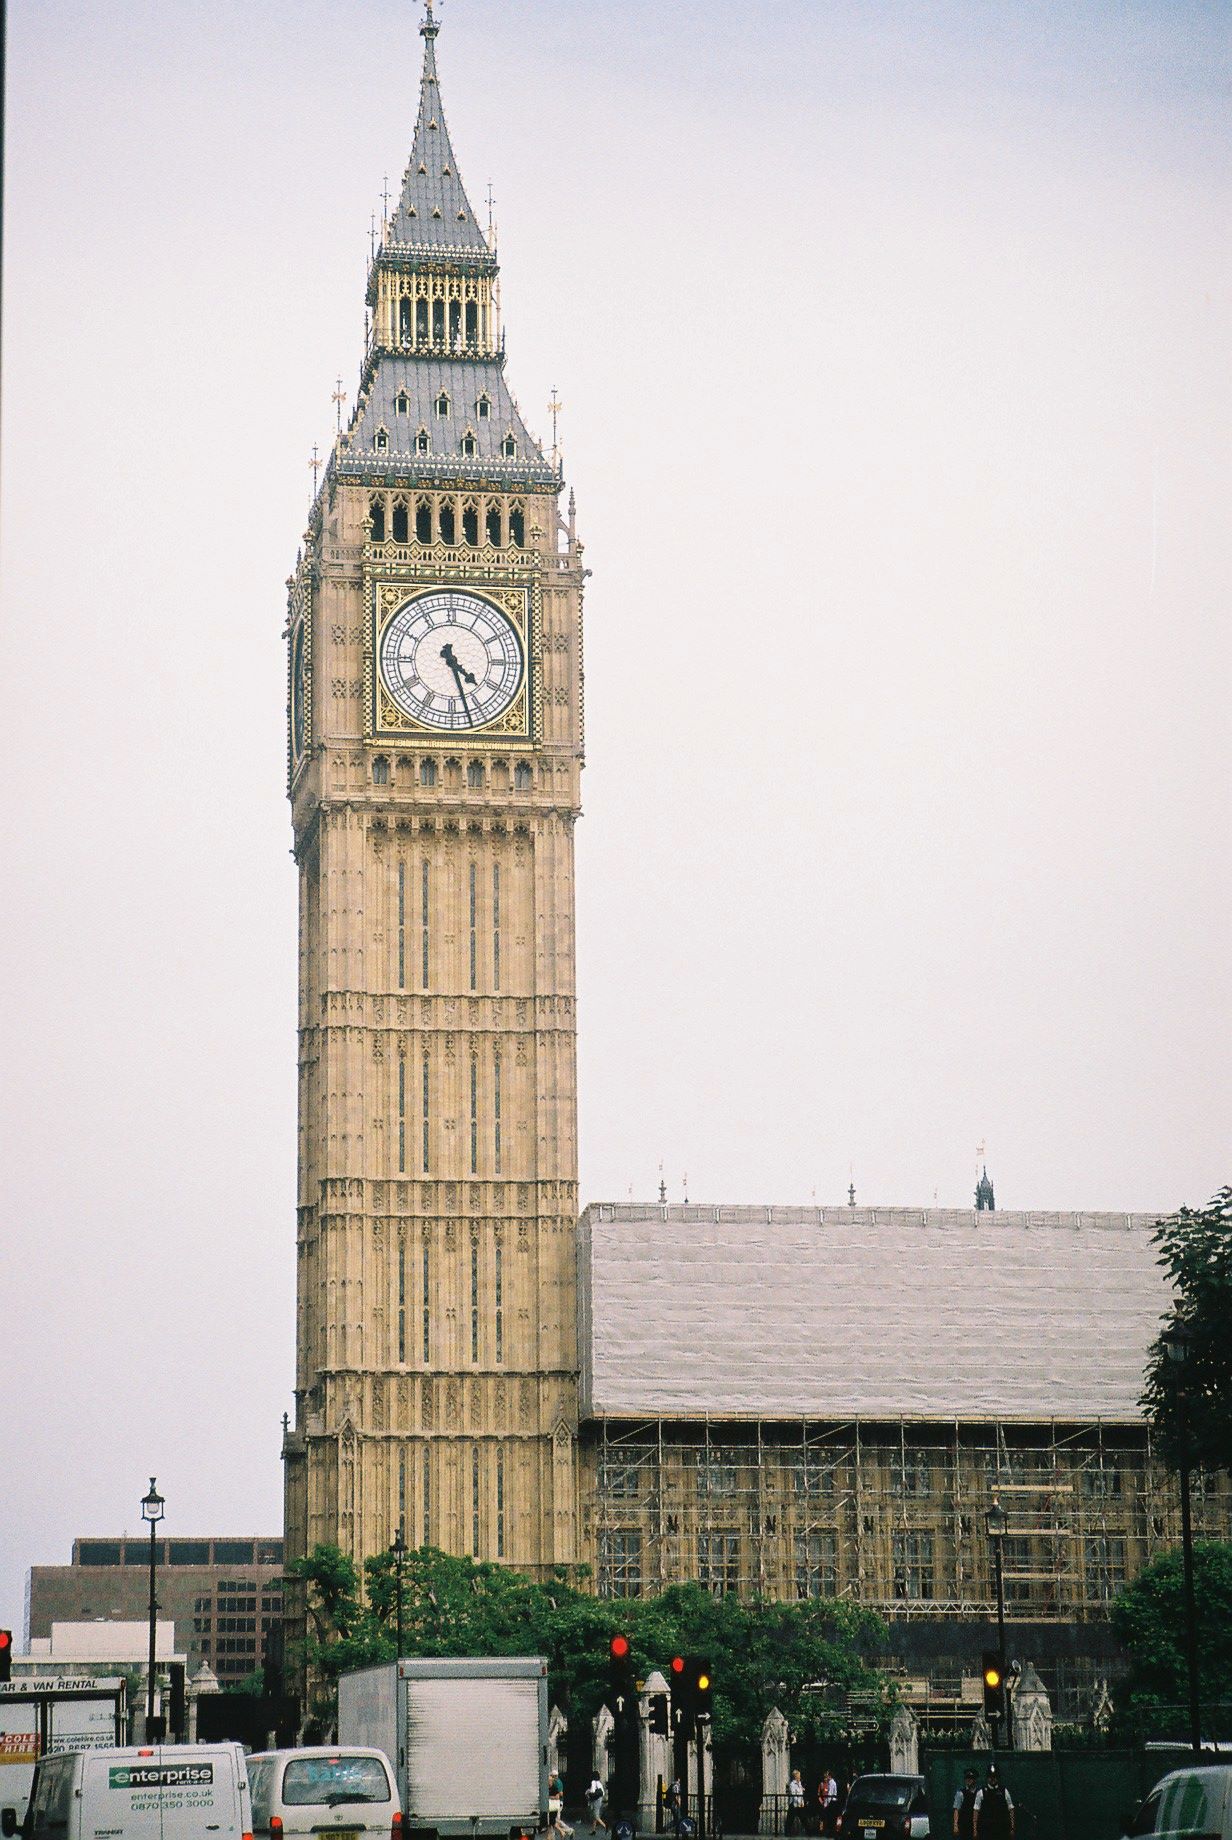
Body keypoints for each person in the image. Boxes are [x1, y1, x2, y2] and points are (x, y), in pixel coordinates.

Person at [973, 1766, 1014, 1839]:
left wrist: (1012, 1827)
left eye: (994, 1776)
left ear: (997, 1777)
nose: (992, 1778)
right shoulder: (981, 1792)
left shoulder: (1004, 1791)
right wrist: (975, 1830)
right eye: (990, 1776)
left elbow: (1011, 1810)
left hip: (1001, 1829)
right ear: (987, 1778)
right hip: (986, 1830)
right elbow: (976, 1812)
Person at [952, 1768, 979, 1840]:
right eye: (967, 1778)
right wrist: (955, 1825)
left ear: (975, 1779)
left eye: (971, 1778)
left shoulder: (979, 1793)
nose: (968, 1780)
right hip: (965, 1825)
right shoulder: (960, 1793)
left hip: (978, 1825)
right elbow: (956, 1810)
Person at [549, 1771, 573, 1840]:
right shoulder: (556, 1782)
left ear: (553, 1776)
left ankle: (568, 1831)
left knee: (555, 1820)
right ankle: (553, 1835)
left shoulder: (557, 1783)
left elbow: (560, 1794)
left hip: (557, 1804)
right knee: (554, 1821)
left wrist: (549, 1797)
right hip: (555, 1804)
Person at [817, 1769, 839, 1838]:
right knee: (828, 1818)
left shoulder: (832, 1783)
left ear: (830, 1776)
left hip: (831, 1803)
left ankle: (831, 1833)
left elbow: (830, 1795)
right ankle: (829, 1833)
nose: (826, 1778)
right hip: (828, 1802)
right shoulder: (827, 1783)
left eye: (827, 1776)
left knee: (830, 1819)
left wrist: (827, 1805)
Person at [785, 1769, 806, 1835]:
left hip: (799, 1804)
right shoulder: (792, 1784)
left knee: (803, 1818)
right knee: (790, 1819)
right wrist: (799, 1802)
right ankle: (787, 1833)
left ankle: (809, 1832)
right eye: (799, 1776)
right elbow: (794, 1795)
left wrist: (802, 1802)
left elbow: (800, 1793)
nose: (800, 1777)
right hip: (793, 1804)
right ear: (795, 1776)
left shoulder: (799, 1783)